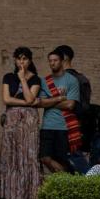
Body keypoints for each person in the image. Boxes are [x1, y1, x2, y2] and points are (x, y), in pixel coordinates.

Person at [0, 46, 43, 199]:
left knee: (27, 155)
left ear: (30, 61)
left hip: (29, 121)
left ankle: (27, 195)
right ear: (15, 60)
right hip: (12, 119)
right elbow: (7, 99)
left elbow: (31, 98)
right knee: (10, 154)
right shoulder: (8, 77)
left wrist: (23, 79)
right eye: (19, 58)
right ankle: (7, 194)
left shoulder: (35, 79)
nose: (21, 62)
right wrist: (25, 102)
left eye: (25, 59)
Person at [37, 44, 84, 174]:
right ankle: (65, 178)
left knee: (63, 159)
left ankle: (63, 181)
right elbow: (40, 103)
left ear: (62, 61)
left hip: (64, 126)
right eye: (50, 61)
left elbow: (70, 105)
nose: (52, 63)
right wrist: (60, 98)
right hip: (47, 125)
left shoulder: (72, 80)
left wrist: (49, 101)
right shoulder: (44, 81)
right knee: (44, 157)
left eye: (55, 60)